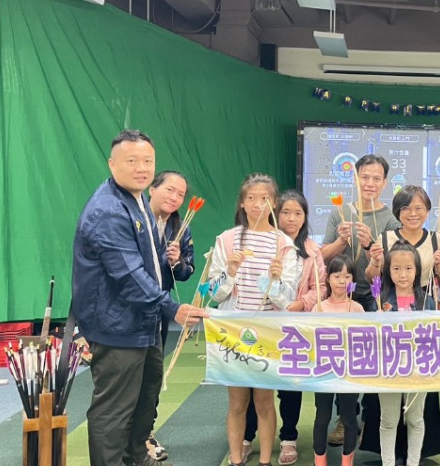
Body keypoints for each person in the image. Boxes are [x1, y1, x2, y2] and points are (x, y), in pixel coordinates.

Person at [72, 129, 205, 466]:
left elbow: (152, 264)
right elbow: (129, 275)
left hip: (144, 323)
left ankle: (137, 458)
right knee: (114, 409)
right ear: (112, 164)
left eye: (148, 160)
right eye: (132, 160)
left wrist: (172, 265)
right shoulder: (108, 211)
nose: (141, 168)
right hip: (117, 327)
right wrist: (171, 308)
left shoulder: (139, 202)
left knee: (145, 401)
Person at [210, 173, 298, 466]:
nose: (258, 204)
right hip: (233, 331)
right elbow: (214, 292)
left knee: (264, 402)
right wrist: (230, 271)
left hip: (268, 331)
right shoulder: (227, 239)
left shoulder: (283, 243)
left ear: (274, 202)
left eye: (264, 198)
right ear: (242, 203)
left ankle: (264, 461)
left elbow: (287, 298)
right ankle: (236, 460)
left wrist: (275, 281)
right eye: (251, 198)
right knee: (237, 403)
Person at [360, 186, 440, 463]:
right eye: (406, 208)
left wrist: (439, 265)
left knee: (417, 414)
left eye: (419, 208)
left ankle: (414, 459)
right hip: (389, 324)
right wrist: (374, 261)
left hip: (421, 314)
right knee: (387, 416)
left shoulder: (436, 239)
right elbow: (372, 278)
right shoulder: (385, 238)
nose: (413, 213)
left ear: (428, 211)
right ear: (398, 212)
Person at [320, 154, 401, 446]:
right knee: (342, 358)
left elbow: (395, 265)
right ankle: (346, 417)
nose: (369, 183)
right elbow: (323, 257)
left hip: (376, 298)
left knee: (373, 359)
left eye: (376, 178)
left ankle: (368, 418)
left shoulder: (390, 220)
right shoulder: (340, 212)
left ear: (385, 183)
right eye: (364, 177)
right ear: (355, 179)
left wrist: (368, 244)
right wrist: (341, 241)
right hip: (342, 298)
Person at [241, 190, 327, 465]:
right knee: (254, 381)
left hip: (293, 327)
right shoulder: (263, 244)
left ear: (305, 217)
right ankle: (247, 436)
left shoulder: (312, 250)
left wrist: (301, 303)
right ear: (276, 214)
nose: (291, 218)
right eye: (286, 212)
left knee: (291, 384)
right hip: (261, 325)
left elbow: (320, 288)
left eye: (298, 213)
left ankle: (288, 437)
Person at [145, 170, 196, 462]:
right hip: (130, 310)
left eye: (181, 194)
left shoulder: (180, 227)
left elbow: (187, 272)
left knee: (153, 373)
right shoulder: (134, 218)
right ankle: (122, 437)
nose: (175, 198)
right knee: (127, 376)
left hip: (160, 308)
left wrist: (176, 263)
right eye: (169, 190)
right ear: (152, 189)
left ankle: (145, 433)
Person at [377, 242, 432, 466]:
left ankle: (413, 462)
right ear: (388, 271)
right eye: (396, 269)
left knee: (415, 419)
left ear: (417, 270)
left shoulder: (426, 301)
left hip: (418, 369)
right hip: (388, 369)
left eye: (408, 268)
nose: (402, 274)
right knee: (389, 421)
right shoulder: (380, 300)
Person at [312, 255, 363, 466]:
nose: (342, 281)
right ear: (328, 278)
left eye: (347, 276)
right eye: (337, 276)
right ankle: (320, 460)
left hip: (348, 373)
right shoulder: (319, 307)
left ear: (353, 280)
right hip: (324, 372)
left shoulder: (357, 308)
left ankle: (347, 461)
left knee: (349, 418)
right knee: (322, 417)